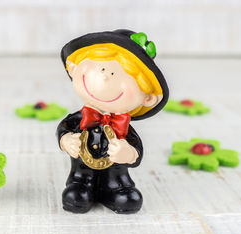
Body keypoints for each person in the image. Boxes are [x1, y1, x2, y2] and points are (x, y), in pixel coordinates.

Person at [57, 29, 169, 213]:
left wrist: (129, 154)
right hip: (80, 175)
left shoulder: (123, 127)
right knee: (76, 195)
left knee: (129, 199)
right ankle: (81, 186)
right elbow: (63, 129)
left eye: (123, 73)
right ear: (74, 68)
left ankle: (115, 189)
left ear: (147, 98)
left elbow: (136, 150)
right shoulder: (79, 119)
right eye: (100, 66)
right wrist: (66, 140)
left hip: (116, 179)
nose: (105, 76)